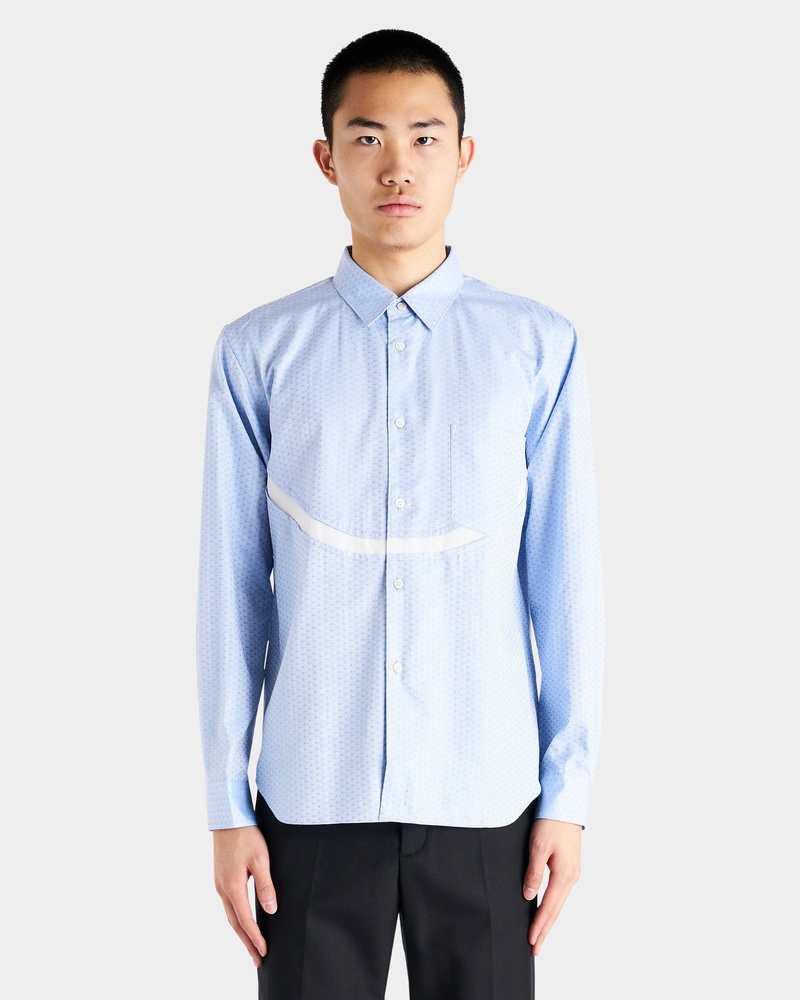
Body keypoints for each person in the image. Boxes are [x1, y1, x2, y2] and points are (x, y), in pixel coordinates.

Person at [195, 27, 605, 999]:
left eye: (424, 138)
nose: (397, 167)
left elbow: (565, 585)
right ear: (325, 156)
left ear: (464, 154)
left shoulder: (536, 348)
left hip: (487, 797)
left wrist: (569, 795)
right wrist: (226, 804)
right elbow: (231, 590)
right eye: (368, 137)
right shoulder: (259, 351)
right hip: (309, 795)